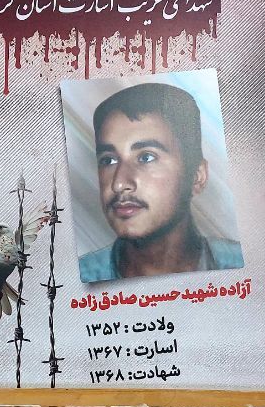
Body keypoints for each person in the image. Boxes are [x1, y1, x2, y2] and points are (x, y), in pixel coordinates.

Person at [79, 82, 243, 283]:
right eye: (108, 160)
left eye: (146, 157)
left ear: (197, 176)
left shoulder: (249, 269)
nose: (119, 184)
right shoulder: (76, 281)